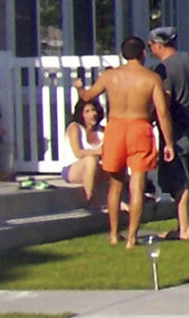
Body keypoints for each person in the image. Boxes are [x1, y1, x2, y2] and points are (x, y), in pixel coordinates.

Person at [74, 38, 175, 245]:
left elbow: (87, 95)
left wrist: (78, 87)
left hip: (116, 127)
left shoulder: (110, 76)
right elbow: (162, 113)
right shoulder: (151, 78)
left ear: (122, 54)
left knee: (116, 184)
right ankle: (131, 238)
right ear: (143, 54)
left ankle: (113, 234)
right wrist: (169, 142)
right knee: (137, 185)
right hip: (139, 127)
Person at [148, 26, 189, 240]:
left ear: (159, 45)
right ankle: (183, 226)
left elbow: (165, 100)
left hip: (175, 128)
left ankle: (185, 229)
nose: (151, 49)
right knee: (188, 172)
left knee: (180, 178)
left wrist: (154, 118)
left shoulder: (165, 69)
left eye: (151, 45)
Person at [63, 97, 106, 205]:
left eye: (94, 110)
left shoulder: (102, 131)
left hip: (96, 168)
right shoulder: (75, 128)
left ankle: (121, 200)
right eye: (87, 111)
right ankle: (90, 200)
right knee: (90, 160)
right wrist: (99, 151)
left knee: (117, 164)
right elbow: (78, 153)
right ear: (81, 114)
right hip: (72, 169)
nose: (92, 114)